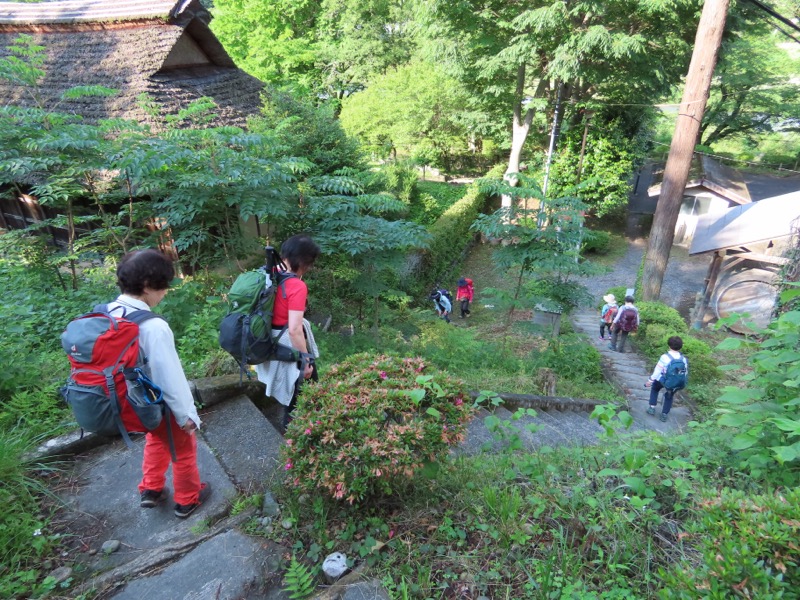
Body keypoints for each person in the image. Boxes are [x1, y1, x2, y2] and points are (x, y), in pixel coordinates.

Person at [107, 249, 210, 519]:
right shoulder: (153, 327)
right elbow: (169, 377)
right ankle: (188, 499)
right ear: (147, 285)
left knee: (156, 439)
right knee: (184, 447)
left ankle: (151, 489)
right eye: (163, 285)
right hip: (156, 400)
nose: (165, 291)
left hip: (130, 401)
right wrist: (186, 415)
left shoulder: (110, 311)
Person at [256, 234, 321, 432]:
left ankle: (304, 429)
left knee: (297, 393)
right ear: (305, 262)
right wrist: (306, 360)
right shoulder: (296, 286)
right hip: (287, 343)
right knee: (302, 394)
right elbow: (294, 329)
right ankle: (297, 438)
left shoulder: (267, 274)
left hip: (270, 340)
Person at [645, 336, 689, 422]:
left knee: (655, 388)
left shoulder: (665, 357)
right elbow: (685, 372)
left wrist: (650, 380)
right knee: (669, 396)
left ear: (669, 345)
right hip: (674, 382)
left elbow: (658, 370)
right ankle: (664, 414)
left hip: (662, 379)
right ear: (681, 347)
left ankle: (652, 407)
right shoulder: (683, 359)